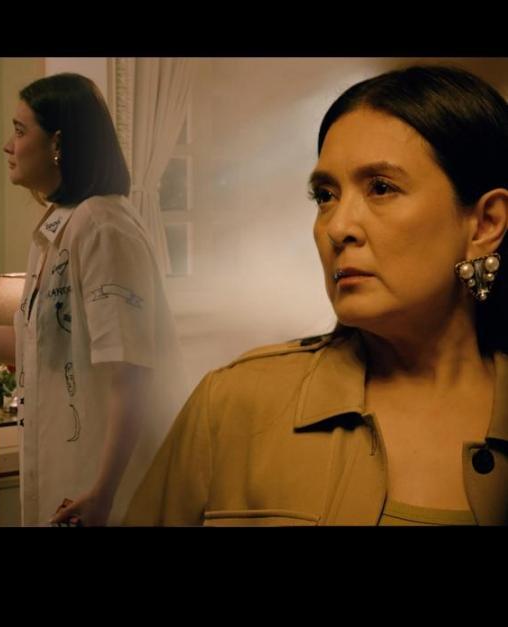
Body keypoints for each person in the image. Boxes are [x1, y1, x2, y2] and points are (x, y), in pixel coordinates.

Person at [125, 65, 508, 526]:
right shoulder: (230, 406)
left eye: (381, 188)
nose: (337, 227)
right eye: (325, 195)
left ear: (485, 224)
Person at [0, 73, 186, 526]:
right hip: (67, 475)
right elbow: (29, 347)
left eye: (20, 131)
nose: (8, 146)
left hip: (105, 491)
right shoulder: (61, 223)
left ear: (58, 143)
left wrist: (103, 493)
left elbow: (131, 375)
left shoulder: (104, 227)